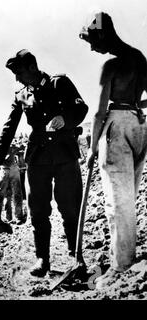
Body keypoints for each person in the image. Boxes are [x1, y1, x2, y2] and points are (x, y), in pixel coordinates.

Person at [0, 49, 88, 277]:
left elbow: (81, 108)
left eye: (19, 73)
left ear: (32, 67)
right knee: (38, 211)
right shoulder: (21, 95)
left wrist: (65, 119)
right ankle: (43, 259)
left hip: (65, 155)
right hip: (38, 158)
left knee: (70, 208)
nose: (17, 79)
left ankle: (76, 256)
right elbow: (9, 127)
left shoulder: (60, 83)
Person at [79, 12, 147, 289]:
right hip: (139, 125)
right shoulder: (140, 59)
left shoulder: (110, 66)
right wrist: (135, 110)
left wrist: (92, 147)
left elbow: (98, 113)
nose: (93, 48)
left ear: (103, 36)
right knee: (128, 196)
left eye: (93, 41)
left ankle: (121, 266)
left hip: (116, 127)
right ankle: (124, 258)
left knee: (117, 202)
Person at [0, 143, 26, 224]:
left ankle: (18, 216)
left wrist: (18, 148)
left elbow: (21, 149)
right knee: (1, 193)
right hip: (5, 168)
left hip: (12, 168)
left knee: (17, 193)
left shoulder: (11, 145)